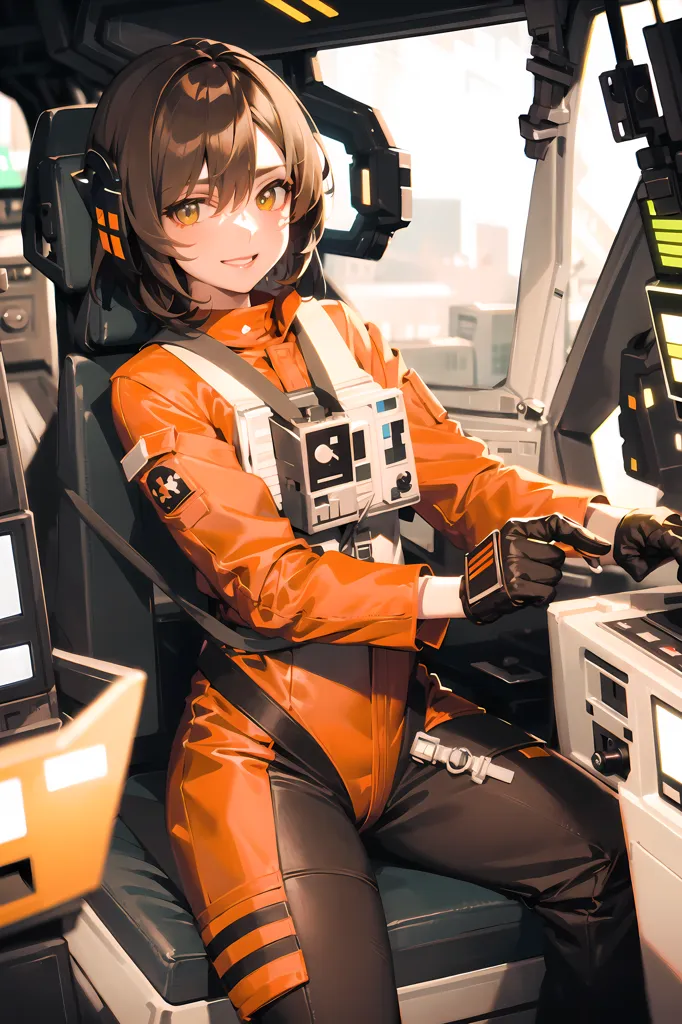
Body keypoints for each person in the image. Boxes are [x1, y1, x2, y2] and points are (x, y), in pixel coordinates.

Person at [73, 36, 682, 1024]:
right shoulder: (155, 389)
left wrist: (608, 524)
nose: (242, 233)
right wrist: (455, 594)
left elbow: (461, 480)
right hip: (267, 752)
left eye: (265, 192)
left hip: (399, 726)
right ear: (132, 220)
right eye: (195, 205)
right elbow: (267, 583)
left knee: (617, 869)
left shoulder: (347, 338)